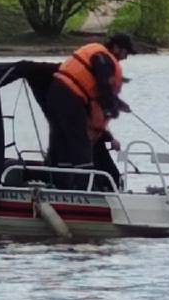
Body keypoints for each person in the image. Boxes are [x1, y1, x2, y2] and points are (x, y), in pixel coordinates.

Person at [45, 33, 135, 187]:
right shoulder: (103, 57)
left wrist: (117, 102)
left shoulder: (95, 51)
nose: (125, 58)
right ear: (116, 48)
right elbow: (103, 84)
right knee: (80, 142)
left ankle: (57, 181)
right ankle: (84, 187)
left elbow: (96, 86)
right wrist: (111, 107)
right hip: (70, 97)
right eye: (125, 53)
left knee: (60, 139)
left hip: (56, 93)